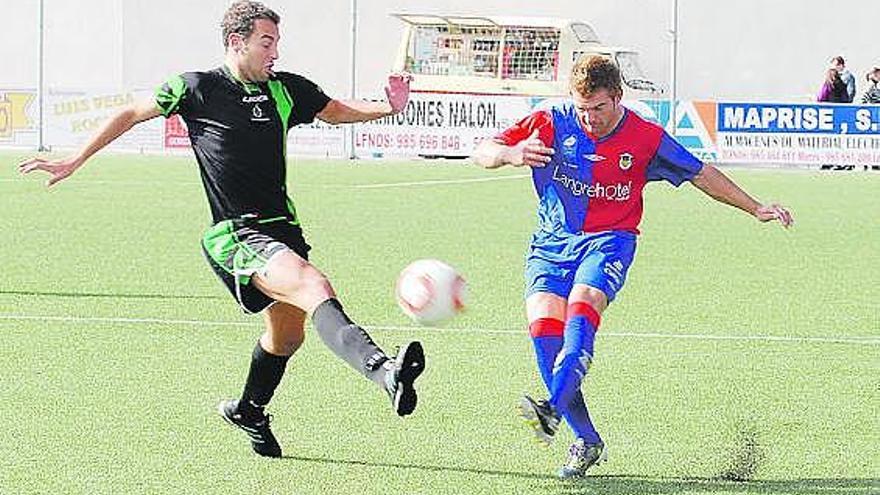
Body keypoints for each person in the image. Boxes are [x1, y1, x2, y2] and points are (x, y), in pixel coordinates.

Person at [18, 0, 425, 459]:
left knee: (287, 336)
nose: (275, 52)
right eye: (266, 42)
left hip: (283, 231)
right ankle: (383, 370)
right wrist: (76, 157)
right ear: (237, 42)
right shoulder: (197, 88)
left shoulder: (286, 90)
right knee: (314, 286)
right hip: (235, 234)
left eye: (277, 42)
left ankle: (248, 411)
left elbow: (335, 110)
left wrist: (387, 107)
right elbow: (131, 112)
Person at [471, 54, 793, 479]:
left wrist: (755, 208)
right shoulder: (550, 121)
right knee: (545, 338)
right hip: (550, 246)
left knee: (583, 311)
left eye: (599, 109)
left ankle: (550, 410)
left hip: (609, 242)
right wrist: (510, 153)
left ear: (618, 97)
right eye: (582, 109)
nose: (589, 119)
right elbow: (482, 151)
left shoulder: (645, 137)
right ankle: (586, 440)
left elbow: (702, 174)